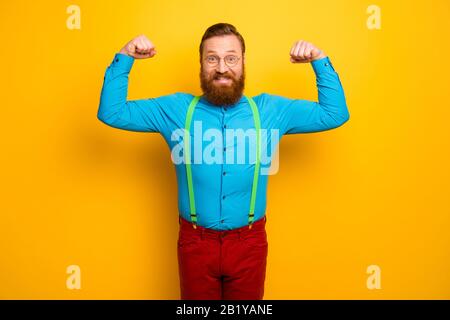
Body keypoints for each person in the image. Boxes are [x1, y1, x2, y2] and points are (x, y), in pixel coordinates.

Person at [97, 22, 350, 300]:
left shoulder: (271, 110)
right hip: (195, 243)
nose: (221, 67)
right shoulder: (175, 110)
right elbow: (112, 112)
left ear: (243, 63)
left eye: (231, 58)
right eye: (212, 58)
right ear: (201, 64)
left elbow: (334, 113)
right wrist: (125, 57)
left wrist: (319, 60)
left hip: (249, 243)